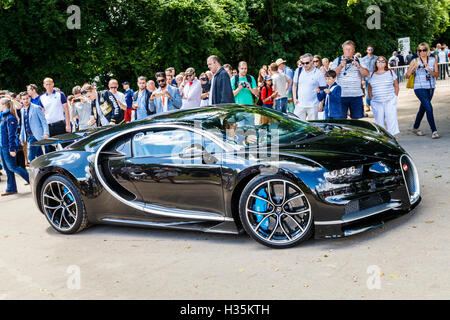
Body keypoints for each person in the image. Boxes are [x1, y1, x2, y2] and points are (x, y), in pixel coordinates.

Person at [405, 42, 440, 139]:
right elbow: (407, 76)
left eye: (424, 50)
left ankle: (415, 127)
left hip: (431, 87)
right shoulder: (415, 61)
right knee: (429, 107)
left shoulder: (433, 60)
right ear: (418, 51)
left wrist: (429, 70)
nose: (422, 52)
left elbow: (437, 75)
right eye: (420, 50)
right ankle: (434, 131)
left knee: (423, 108)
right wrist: (412, 69)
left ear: (427, 50)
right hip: (419, 88)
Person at [332, 40, 369, 119]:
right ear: (343, 50)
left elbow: (367, 74)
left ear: (354, 50)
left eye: (350, 49)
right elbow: (331, 75)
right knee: (341, 121)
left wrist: (359, 66)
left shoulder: (360, 60)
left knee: (357, 120)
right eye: (346, 49)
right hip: (341, 95)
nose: (348, 51)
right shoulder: (337, 60)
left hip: (356, 95)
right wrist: (340, 66)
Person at [0, 97, 30, 196]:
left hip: (8, 146)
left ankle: (32, 180)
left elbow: (11, 135)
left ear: (4, 105)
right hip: (2, 146)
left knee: (13, 167)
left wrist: (12, 148)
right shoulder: (3, 117)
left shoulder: (10, 117)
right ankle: (11, 188)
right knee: (7, 168)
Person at [368, 56, 400, 136]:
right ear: (376, 63)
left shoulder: (391, 72)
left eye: (383, 61)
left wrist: (395, 96)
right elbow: (369, 88)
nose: (380, 63)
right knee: (379, 122)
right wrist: (371, 99)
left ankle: (392, 138)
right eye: (378, 61)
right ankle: (382, 138)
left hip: (390, 100)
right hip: (376, 102)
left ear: (386, 63)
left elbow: (396, 85)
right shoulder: (372, 74)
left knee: (391, 119)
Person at [293, 53, 327, 121]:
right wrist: (294, 98)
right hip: (300, 105)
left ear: (312, 62)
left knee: (313, 127)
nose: (305, 65)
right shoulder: (298, 71)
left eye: (307, 63)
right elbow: (294, 85)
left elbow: (323, 89)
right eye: (303, 63)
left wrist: (321, 103)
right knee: (298, 125)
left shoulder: (318, 73)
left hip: (313, 105)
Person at [19, 92, 49, 162]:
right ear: (21, 100)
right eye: (24, 99)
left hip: (36, 136)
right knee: (40, 155)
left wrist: (46, 133)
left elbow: (43, 121)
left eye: (27, 98)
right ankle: (43, 169)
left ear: (30, 98)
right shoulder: (22, 110)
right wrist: (21, 137)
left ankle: (34, 171)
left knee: (31, 157)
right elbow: (23, 124)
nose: (26, 100)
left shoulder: (36, 108)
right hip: (28, 136)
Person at [39, 78, 71, 142]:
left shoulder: (60, 94)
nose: (48, 86)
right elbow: (42, 114)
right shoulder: (42, 98)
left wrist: (68, 125)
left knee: (66, 145)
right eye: (46, 84)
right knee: (51, 148)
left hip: (60, 125)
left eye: (49, 84)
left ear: (53, 84)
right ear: (44, 85)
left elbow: (66, 110)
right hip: (49, 126)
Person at [361, 45, 378, 112]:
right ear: (366, 50)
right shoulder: (363, 59)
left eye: (371, 49)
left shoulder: (376, 58)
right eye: (369, 49)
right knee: (368, 93)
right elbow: (362, 69)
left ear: (372, 50)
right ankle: (367, 105)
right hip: (367, 78)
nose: (370, 51)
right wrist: (362, 79)